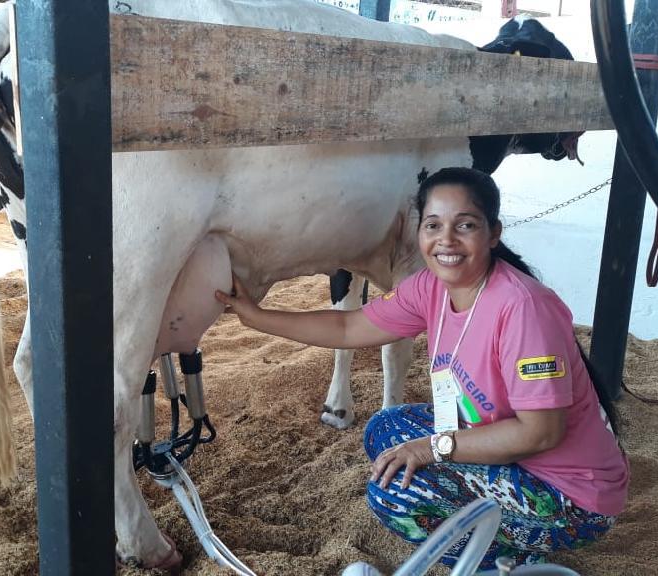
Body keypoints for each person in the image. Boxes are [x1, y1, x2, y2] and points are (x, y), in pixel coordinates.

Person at [214, 167, 629, 569]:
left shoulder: (522, 309)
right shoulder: (431, 287)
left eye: (464, 225)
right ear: (419, 232)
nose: (446, 240)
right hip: (514, 452)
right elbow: (347, 325)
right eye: (433, 225)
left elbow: (541, 432)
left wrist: (432, 448)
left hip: (570, 497)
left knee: (394, 497)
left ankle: (504, 562)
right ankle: (498, 530)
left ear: (494, 232)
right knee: (386, 427)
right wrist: (258, 317)